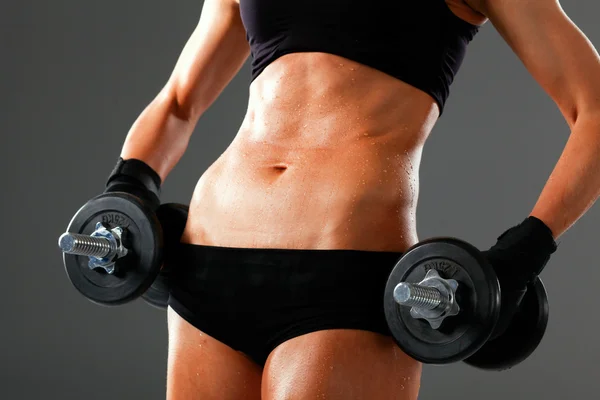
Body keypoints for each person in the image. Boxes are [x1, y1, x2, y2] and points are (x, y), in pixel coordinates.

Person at [101, 0, 600, 398]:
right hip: (207, 259)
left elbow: (594, 109)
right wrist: (129, 185)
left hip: (346, 274)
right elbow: (179, 102)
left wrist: (525, 251)